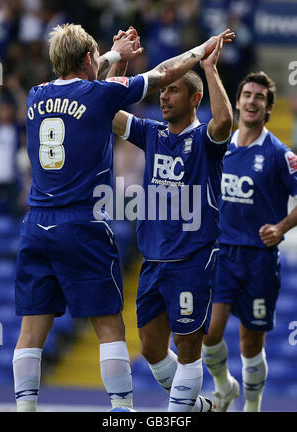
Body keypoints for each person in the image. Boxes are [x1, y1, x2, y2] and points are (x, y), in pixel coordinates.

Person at [12, 21, 233, 412]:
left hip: (42, 224)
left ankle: (34, 407)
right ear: (87, 59)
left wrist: (117, 57)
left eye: (174, 93)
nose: (164, 97)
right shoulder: (138, 123)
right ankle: (145, 408)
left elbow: (95, 92)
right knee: (125, 334)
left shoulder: (34, 95)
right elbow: (118, 95)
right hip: (93, 229)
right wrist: (200, 50)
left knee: (32, 330)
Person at [112, 32, 234, 411]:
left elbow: (225, 120)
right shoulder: (153, 133)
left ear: (195, 99)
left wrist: (209, 68)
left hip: (192, 261)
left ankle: (178, 416)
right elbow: (109, 114)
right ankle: (201, 408)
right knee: (150, 348)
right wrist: (119, 63)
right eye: (162, 90)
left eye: (173, 90)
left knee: (187, 349)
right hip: (153, 260)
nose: (163, 96)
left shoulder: (204, 140)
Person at [202, 71, 297, 412]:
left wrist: (282, 226)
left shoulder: (278, 153)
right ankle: (225, 386)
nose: (252, 101)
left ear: (269, 108)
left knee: (250, 343)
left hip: (259, 259)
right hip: (222, 253)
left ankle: (252, 405)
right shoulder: (220, 144)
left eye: (260, 97)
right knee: (209, 334)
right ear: (238, 102)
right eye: (247, 95)